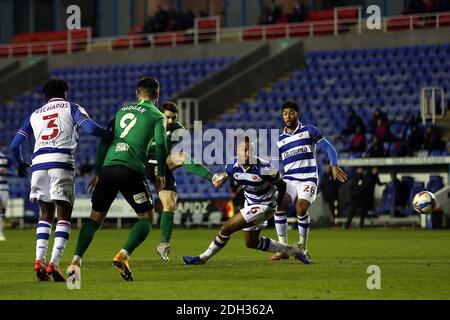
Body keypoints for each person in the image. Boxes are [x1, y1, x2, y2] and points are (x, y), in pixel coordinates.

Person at [67, 77, 168, 282]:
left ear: (136, 93)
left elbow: (105, 141)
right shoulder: (157, 115)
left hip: (108, 169)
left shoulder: (121, 111)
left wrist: (97, 172)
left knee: (95, 219)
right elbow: (161, 144)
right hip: (130, 171)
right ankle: (123, 255)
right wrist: (161, 173)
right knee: (147, 218)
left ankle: (76, 261)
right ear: (157, 95)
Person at [9, 78, 111, 281]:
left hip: (38, 165)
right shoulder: (71, 107)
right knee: (63, 216)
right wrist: (109, 134)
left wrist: (21, 163)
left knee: (45, 215)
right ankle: (53, 264)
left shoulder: (34, 114)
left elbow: (14, 145)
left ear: (44, 96)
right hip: (61, 163)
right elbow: (90, 129)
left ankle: (39, 260)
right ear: (65, 92)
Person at [182, 138, 311, 265]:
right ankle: (292, 250)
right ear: (237, 152)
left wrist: (279, 203)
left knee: (226, 228)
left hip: (265, 206)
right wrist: (222, 178)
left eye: (251, 151)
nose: (248, 154)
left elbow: (282, 185)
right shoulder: (232, 167)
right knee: (251, 242)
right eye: (245, 150)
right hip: (249, 204)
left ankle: (202, 258)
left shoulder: (265, 168)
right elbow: (228, 174)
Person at [146, 101, 228, 261]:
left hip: (161, 166)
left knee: (170, 203)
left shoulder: (178, 130)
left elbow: (181, 157)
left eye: (173, 118)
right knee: (182, 157)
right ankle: (213, 177)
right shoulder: (149, 124)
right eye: (167, 118)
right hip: (145, 162)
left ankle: (163, 245)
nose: (170, 121)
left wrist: (166, 170)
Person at [271, 100, 347, 261]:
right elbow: (273, 164)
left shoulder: (309, 130)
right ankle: (283, 248)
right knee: (279, 204)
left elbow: (329, 148)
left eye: (291, 113)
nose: (288, 116)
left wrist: (334, 165)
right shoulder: (279, 140)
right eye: (285, 113)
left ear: (298, 114)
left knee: (301, 209)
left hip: (308, 179)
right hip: (289, 180)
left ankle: (302, 248)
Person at [0, 144, 13, 241]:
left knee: (3, 210)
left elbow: (13, 171)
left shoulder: (6, 159)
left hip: (4, 187)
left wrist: (7, 172)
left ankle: (1, 231)